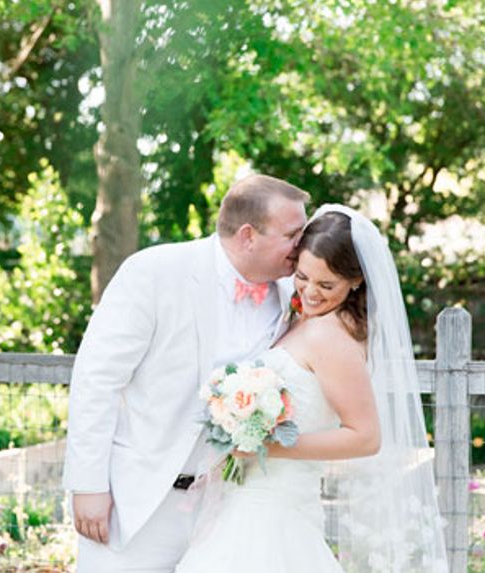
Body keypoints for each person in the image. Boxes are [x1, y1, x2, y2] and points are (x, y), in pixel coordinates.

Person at [175, 204, 448, 573]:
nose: (309, 292)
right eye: (303, 276)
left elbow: (366, 437)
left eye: (326, 285)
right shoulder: (301, 315)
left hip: (277, 508)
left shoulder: (332, 336)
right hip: (247, 502)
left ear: (356, 281)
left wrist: (265, 445)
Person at [62, 174, 310, 572]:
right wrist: (89, 485)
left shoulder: (288, 298)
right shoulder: (154, 271)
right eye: (293, 235)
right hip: (137, 502)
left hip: (228, 506)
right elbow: (97, 379)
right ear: (248, 235)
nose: (302, 248)